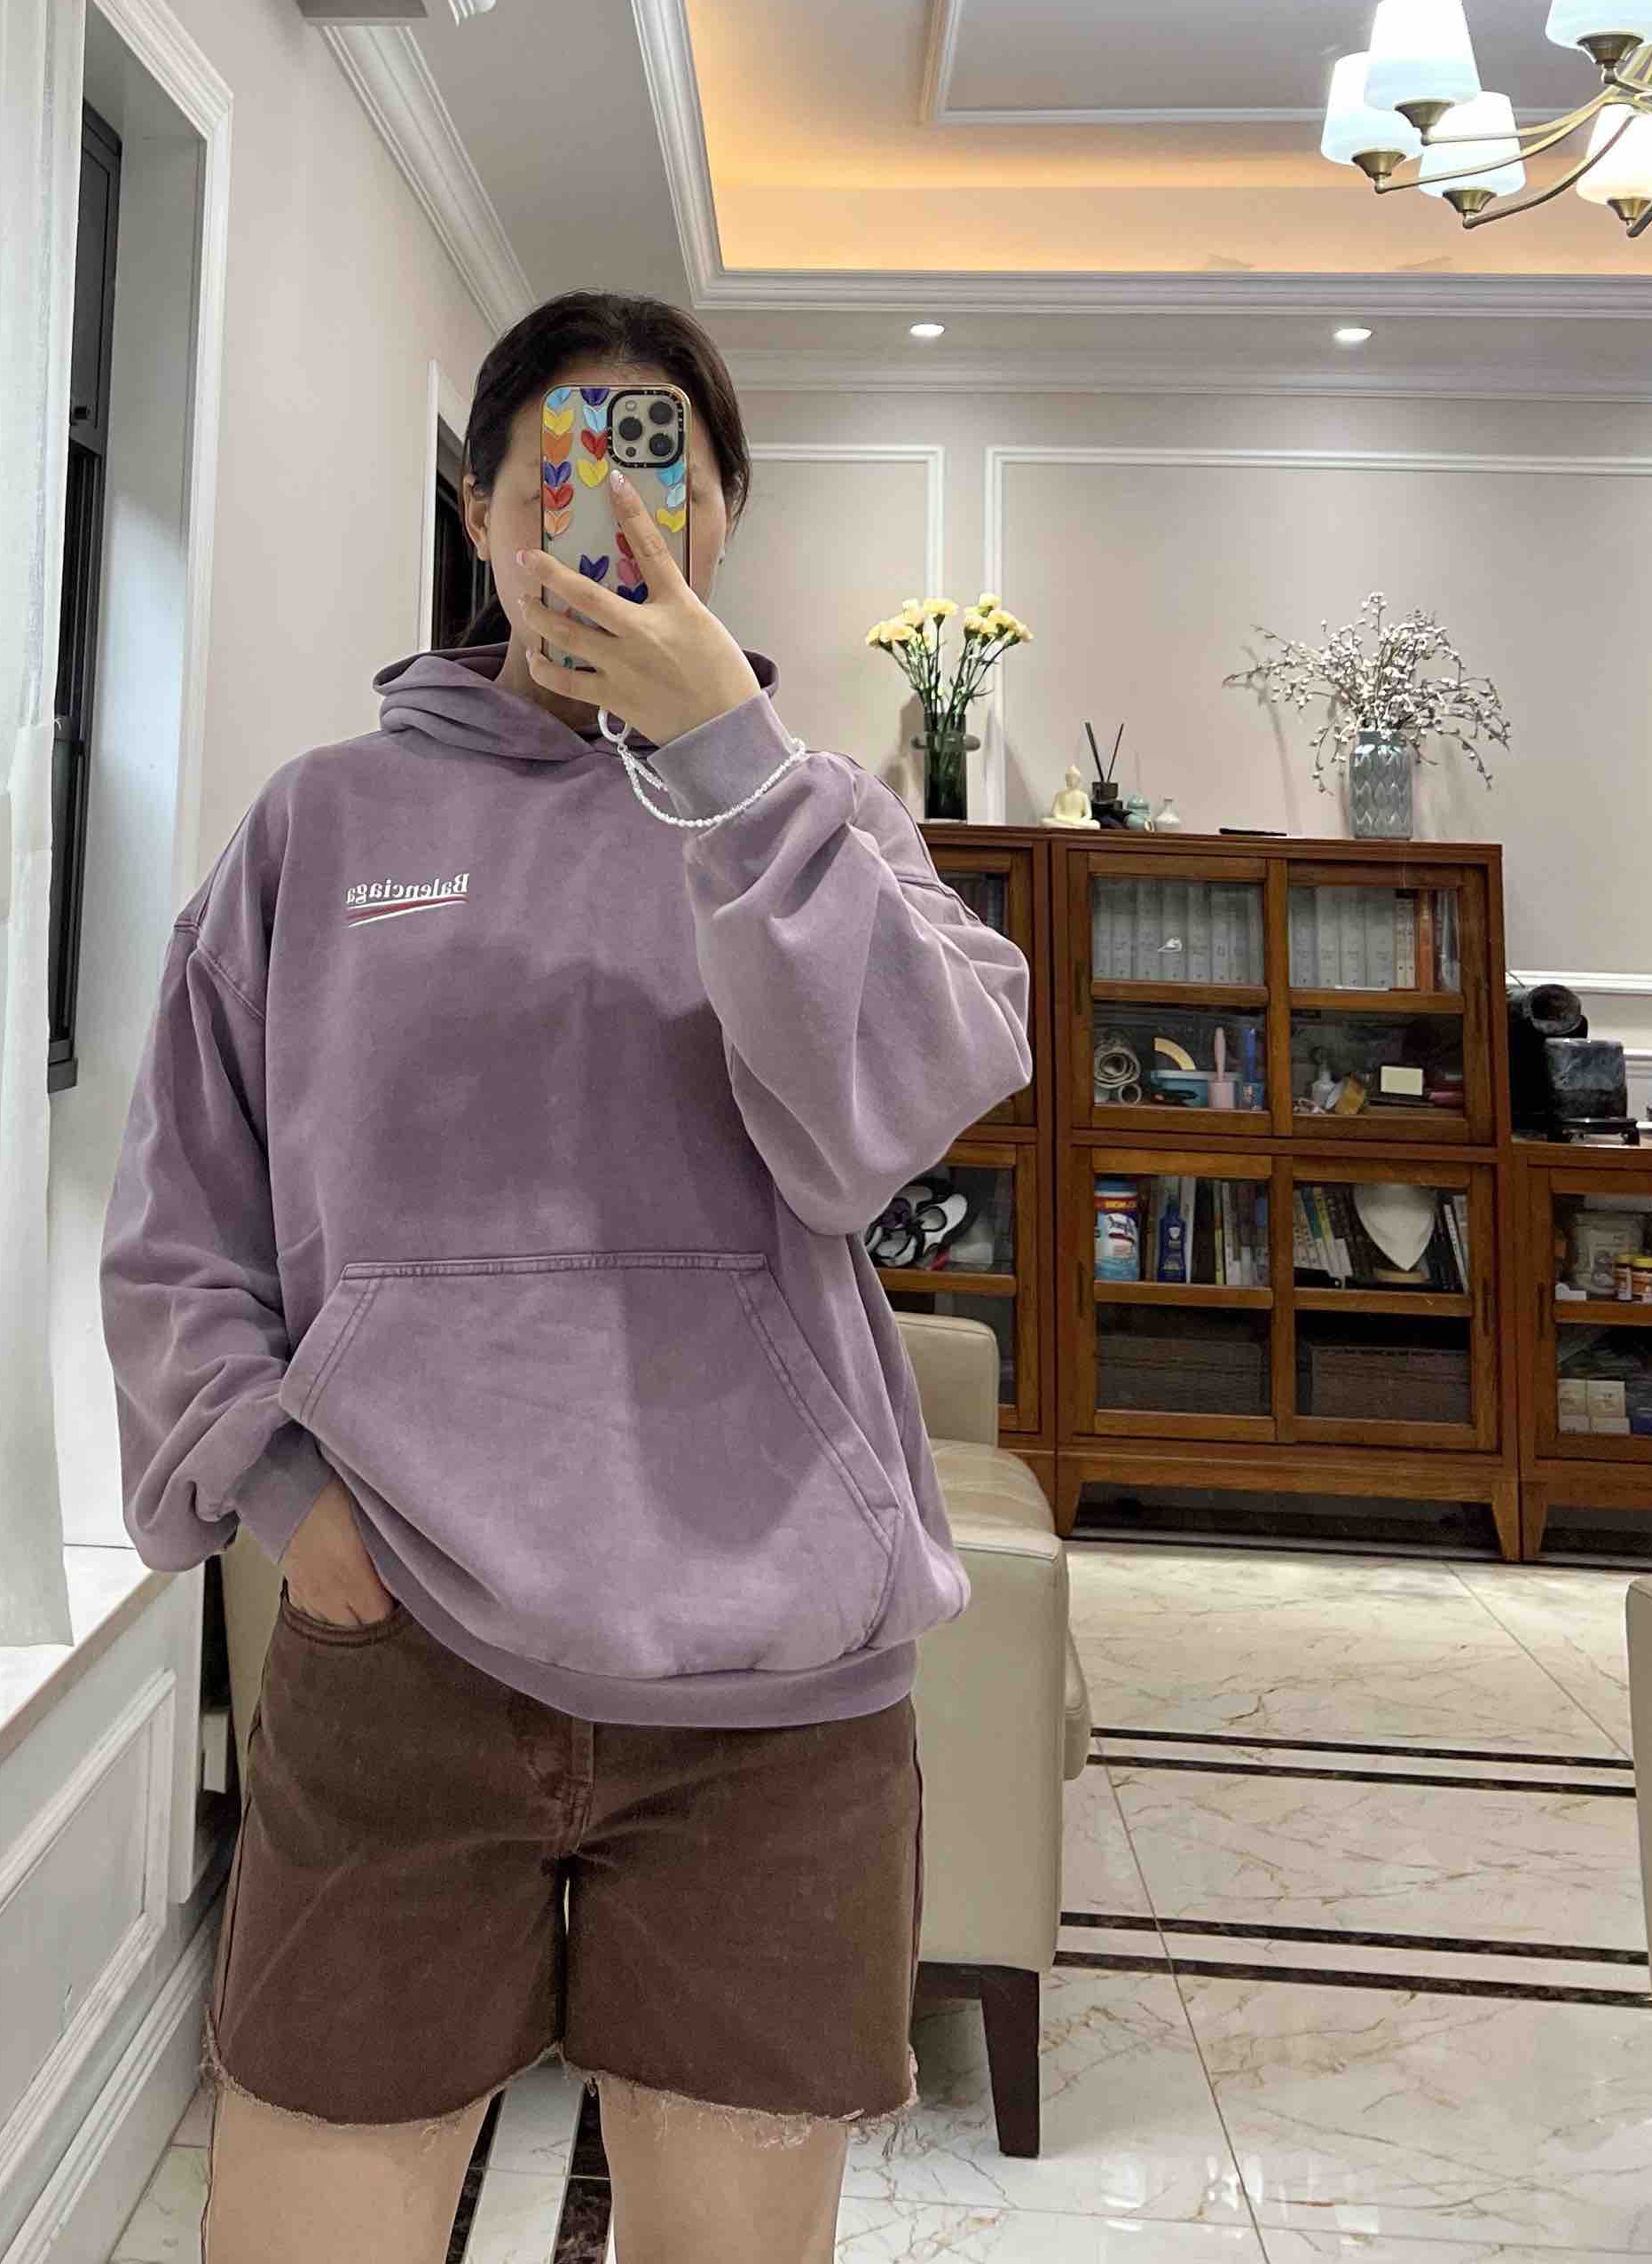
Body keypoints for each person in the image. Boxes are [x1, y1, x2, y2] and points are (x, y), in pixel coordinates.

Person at [99, 291, 1033, 2262]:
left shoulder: (826, 819)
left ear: (722, 519)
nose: (601, 518)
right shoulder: (323, 821)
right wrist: (285, 1496)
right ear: (479, 511)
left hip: (771, 1684)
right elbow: (183, 1210)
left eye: (655, 474)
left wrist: (729, 771)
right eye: (555, 477)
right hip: (398, 1649)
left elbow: (887, 1126)